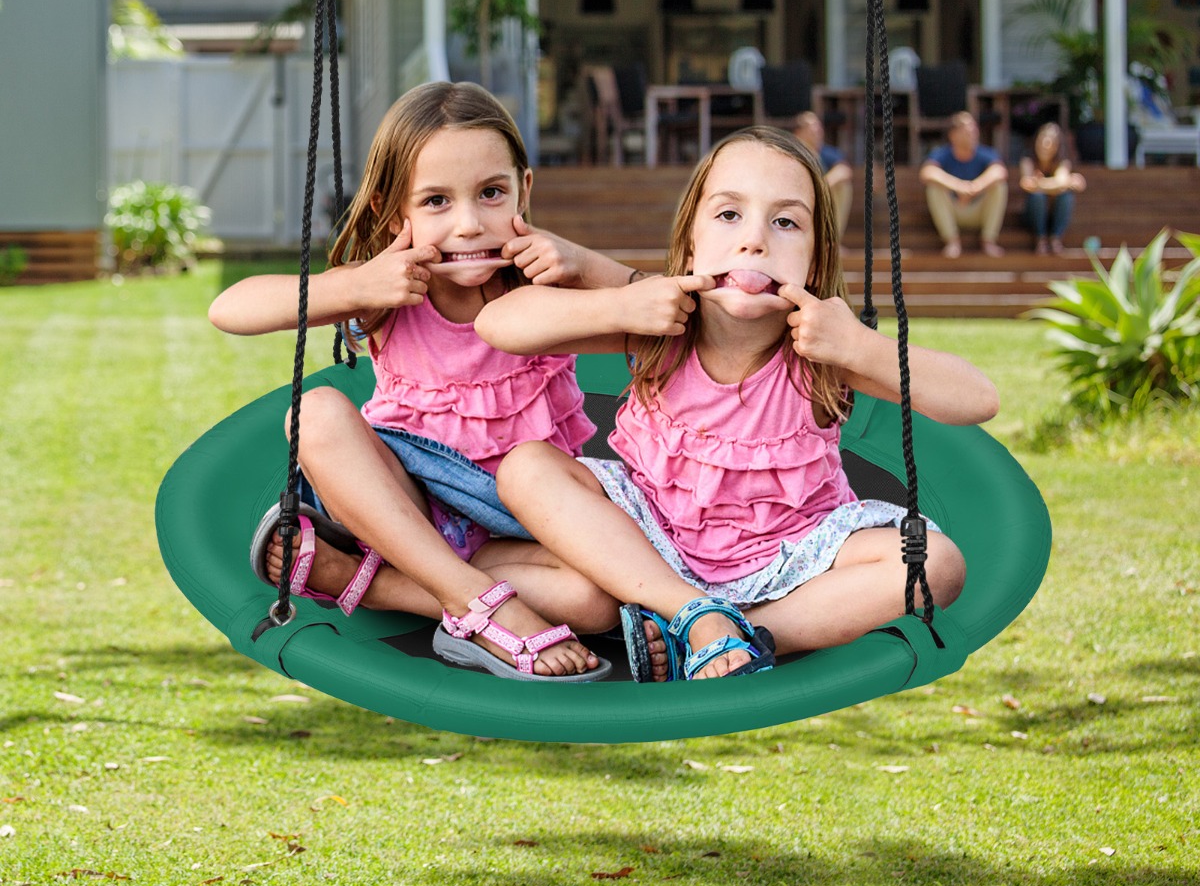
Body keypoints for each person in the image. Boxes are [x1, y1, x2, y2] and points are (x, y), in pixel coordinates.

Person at [476, 127, 997, 681]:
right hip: (650, 541)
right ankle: (691, 614)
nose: (755, 241)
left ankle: (752, 634)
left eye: (786, 222)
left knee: (935, 564)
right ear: (692, 240)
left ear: (815, 263)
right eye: (729, 215)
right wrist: (621, 304)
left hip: (793, 557)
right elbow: (499, 323)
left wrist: (860, 346)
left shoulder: (824, 350)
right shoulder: (660, 323)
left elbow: (977, 399)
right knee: (528, 467)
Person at [208, 81, 646, 682]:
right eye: (437, 201)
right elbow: (229, 309)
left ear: (525, 188)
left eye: (491, 193)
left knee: (594, 602)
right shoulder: (389, 291)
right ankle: (470, 598)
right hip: (400, 506)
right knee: (315, 412)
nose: (469, 225)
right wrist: (353, 287)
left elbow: (668, 319)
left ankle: (378, 586)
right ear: (397, 212)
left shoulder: (547, 292)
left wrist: (588, 266)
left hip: (517, 523)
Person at [918, 111, 1009, 258]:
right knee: (933, 188)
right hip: (955, 210)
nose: (972, 132)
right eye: (967, 129)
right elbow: (927, 172)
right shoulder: (942, 154)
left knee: (999, 186)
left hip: (977, 211)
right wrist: (959, 187)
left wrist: (974, 188)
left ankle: (988, 240)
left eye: (974, 128)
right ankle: (952, 241)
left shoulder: (985, 153)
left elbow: (1000, 171)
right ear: (953, 135)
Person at [1019, 122, 1086, 255]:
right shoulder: (1027, 161)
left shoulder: (1062, 163)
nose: (1045, 145)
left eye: (1050, 142)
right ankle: (1040, 239)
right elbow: (1027, 184)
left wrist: (1040, 184)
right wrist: (1059, 185)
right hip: (1032, 215)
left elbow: (1060, 182)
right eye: (1042, 140)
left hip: (1054, 214)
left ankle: (1055, 238)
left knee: (1066, 197)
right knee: (1037, 197)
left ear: (1057, 146)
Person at [793, 110, 853, 242]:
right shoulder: (792, 153)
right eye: (811, 126)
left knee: (843, 186)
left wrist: (823, 185)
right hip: (797, 199)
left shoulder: (826, 152)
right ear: (798, 132)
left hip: (819, 198)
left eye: (818, 125)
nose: (816, 130)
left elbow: (844, 170)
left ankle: (830, 239)